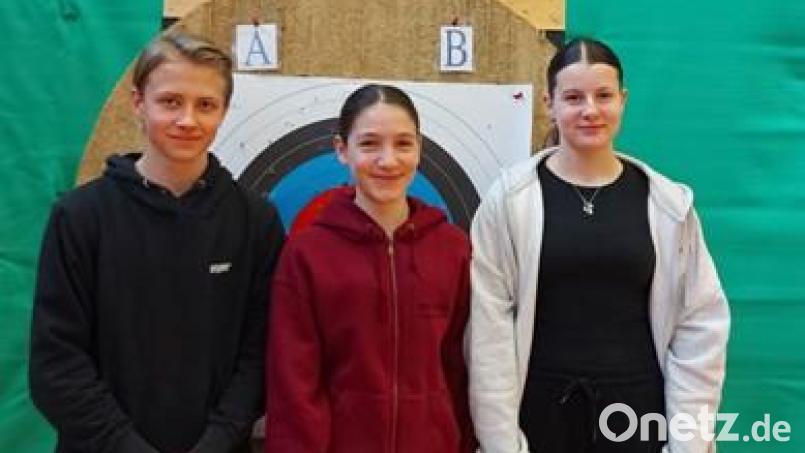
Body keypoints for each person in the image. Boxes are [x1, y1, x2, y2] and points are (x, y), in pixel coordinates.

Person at [468, 38, 730, 453]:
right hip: (539, 419)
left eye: (603, 95)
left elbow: (699, 325)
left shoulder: (667, 204)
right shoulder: (510, 200)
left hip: (638, 420)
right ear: (549, 104)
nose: (590, 110)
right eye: (573, 97)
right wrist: (502, 443)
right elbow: (489, 332)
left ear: (622, 100)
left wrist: (688, 442)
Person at [29, 31, 285, 453]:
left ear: (223, 111)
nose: (187, 120)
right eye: (170, 101)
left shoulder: (256, 221)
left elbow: (262, 354)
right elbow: (56, 363)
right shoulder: (78, 217)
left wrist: (218, 441)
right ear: (137, 104)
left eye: (205, 105)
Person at [265, 84, 475, 453]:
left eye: (404, 144)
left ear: (420, 150)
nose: (388, 160)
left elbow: (461, 367)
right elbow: (294, 386)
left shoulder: (453, 249)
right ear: (342, 150)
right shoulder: (307, 253)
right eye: (370, 144)